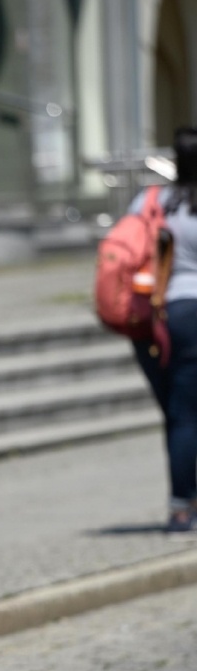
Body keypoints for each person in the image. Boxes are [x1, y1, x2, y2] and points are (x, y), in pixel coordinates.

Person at [130, 128, 197, 532]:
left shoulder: (152, 202)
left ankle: (181, 504)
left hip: (159, 316)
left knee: (179, 414)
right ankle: (180, 508)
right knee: (186, 415)